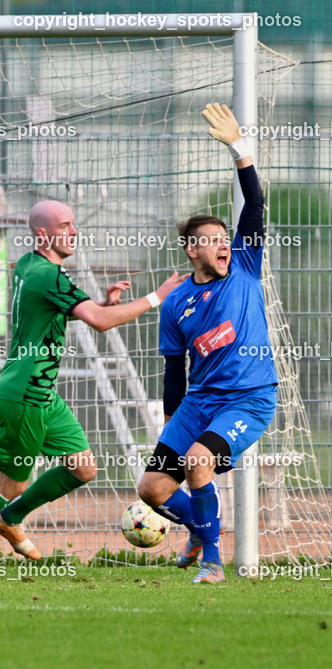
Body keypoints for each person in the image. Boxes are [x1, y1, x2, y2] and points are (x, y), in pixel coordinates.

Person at [0, 197, 187, 576]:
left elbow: (67, 310)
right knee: (9, 484)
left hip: (40, 392)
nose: (74, 232)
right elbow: (98, 322)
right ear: (43, 233)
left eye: (73, 224)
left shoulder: (31, 264)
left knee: (83, 467)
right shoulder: (48, 275)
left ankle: (9, 520)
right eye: (64, 226)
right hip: (25, 394)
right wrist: (155, 298)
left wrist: (100, 301)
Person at [137, 103, 277, 584]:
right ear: (191, 250)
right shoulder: (176, 304)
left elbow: (255, 206)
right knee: (152, 489)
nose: (222, 244)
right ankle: (200, 529)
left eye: (225, 238)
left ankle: (213, 562)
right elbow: (174, 370)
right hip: (200, 401)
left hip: (249, 399)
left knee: (199, 462)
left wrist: (240, 149)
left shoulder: (243, 267)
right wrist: (172, 417)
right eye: (211, 240)